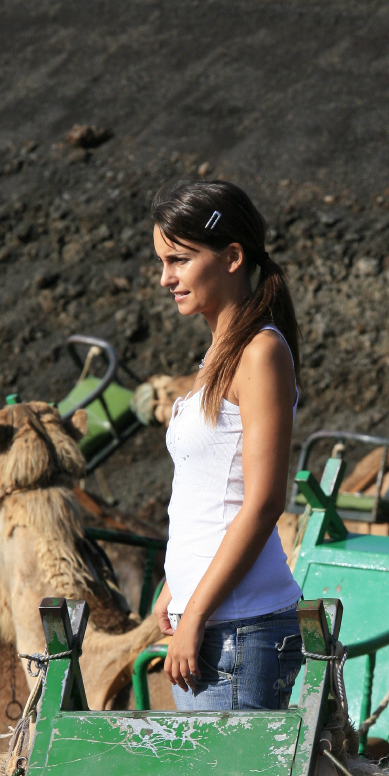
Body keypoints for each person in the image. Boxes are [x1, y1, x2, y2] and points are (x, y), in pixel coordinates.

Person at [151, 179, 304, 710]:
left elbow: (263, 503)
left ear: (232, 256)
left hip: (242, 632)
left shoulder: (260, 353)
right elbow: (209, 491)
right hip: (214, 624)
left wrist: (195, 615)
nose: (165, 277)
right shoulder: (218, 354)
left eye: (179, 260)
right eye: (163, 261)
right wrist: (176, 587)